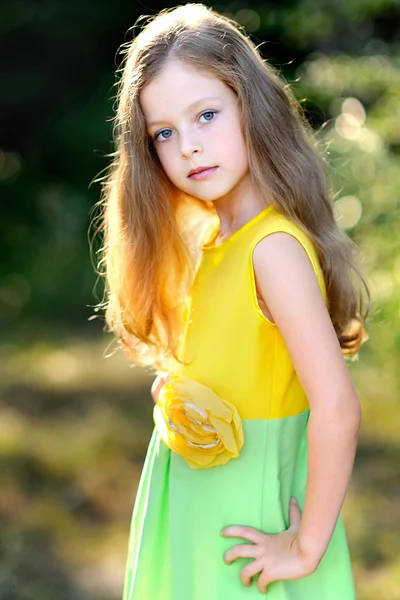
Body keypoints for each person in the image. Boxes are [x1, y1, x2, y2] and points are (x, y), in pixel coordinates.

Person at [93, 4, 370, 599]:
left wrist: (305, 546)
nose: (188, 146)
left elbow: (338, 407)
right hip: (196, 508)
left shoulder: (271, 250)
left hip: (244, 524)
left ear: (253, 107)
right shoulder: (216, 242)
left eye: (207, 115)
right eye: (164, 133)